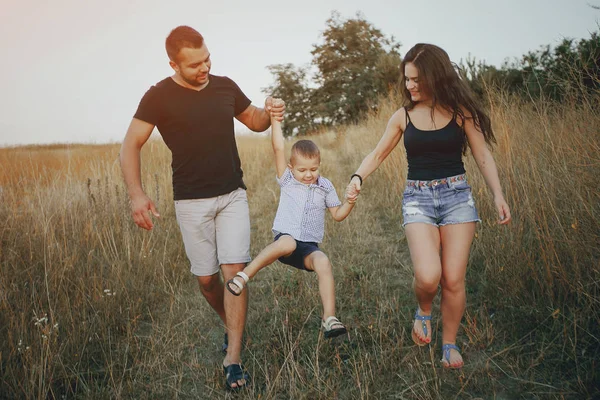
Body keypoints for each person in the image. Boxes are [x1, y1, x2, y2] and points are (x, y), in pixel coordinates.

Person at [119, 26, 284, 391]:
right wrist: (137, 195)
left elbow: (253, 120)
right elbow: (130, 144)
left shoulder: (224, 86)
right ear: (173, 64)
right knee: (207, 280)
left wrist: (269, 109)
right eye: (194, 64)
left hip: (231, 196)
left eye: (207, 58)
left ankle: (234, 357)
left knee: (234, 275)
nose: (204, 67)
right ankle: (232, 325)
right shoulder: (158, 97)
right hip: (190, 201)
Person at [346, 43, 511, 369]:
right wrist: (357, 177)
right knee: (428, 275)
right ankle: (424, 311)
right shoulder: (403, 116)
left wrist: (498, 194)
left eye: (417, 80)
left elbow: (482, 155)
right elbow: (377, 153)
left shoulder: (462, 111)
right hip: (418, 199)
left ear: (436, 76)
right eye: (407, 79)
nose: (410, 86)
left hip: (457, 198)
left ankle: (449, 344)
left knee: (452, 279)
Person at [225, 101, 356, 339]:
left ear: (319, 166)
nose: (308, 175)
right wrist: (275, 120)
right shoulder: (287, 180)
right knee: (288, 243)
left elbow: (337, 215)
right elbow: (278, 148)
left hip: (308, 248)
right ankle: (243, 277)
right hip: (285, 242)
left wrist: (350, 202)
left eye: (313, 169)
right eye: (302, 170)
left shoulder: (325, 187)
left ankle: (329, 319)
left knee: (324, 262)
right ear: (291, 168)